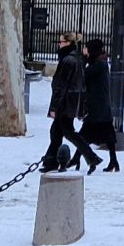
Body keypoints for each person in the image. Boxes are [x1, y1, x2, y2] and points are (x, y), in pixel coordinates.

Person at [76, 36, 123, 172]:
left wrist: (84, 59)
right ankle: (113, 161)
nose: (85, 50)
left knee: (84, 135)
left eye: (86, 48)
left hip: (97, 107)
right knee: (106, 136)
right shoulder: (99, 63)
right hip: (99, 106)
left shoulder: (99, 65)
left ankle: (77, 158)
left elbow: (84, 75)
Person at [40, 35, 83, 173]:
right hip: (69, 102)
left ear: (68, 43)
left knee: (61, 132)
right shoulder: (72, 57)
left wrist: (54, 107)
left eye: (62, 41)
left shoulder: (68, 60)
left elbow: (61, 85)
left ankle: (52, 161)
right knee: (57, 132)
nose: (59, 44)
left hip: (65, 103)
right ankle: (51, 160)